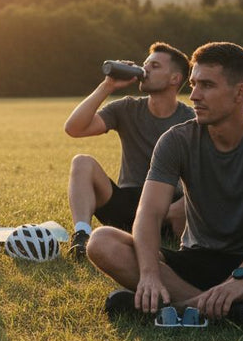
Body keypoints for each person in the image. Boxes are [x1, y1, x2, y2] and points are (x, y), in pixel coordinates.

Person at [86, 42, 243, 329]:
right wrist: (149, 273)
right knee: (102, 242)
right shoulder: (177, 140)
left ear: (241, 92)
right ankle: (228, 311)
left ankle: (182, 307)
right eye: (193, 84)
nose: (195, 95)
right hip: (196, 260)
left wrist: (241, 279)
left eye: (207, 85)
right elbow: (148, 214)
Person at [64, 42, 194, 257]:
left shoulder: (190, 120)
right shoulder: (127, 108)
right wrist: (107, 86)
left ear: (175, 79)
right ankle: (81, 237)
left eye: (154, 66)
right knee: (82, 162)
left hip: (168, 209)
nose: (145, 70)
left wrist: (173, 210)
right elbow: (74, 128)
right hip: (127, 205)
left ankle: (184, 246)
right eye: (145, 65)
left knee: (194, 196)